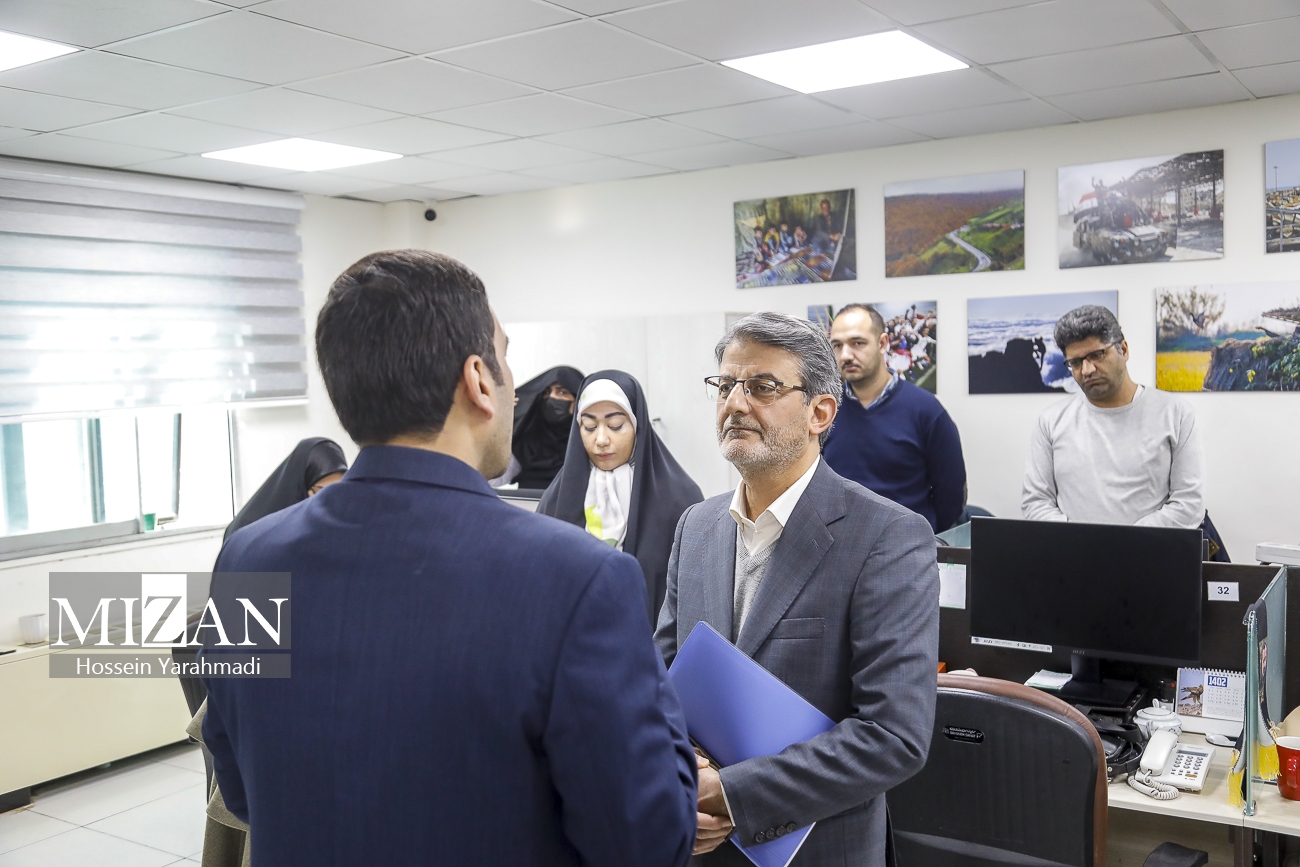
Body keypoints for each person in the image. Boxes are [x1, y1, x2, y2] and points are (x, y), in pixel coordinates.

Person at [201, 250, 697, 867]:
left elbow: (240, 788)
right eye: (506, 357)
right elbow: (647, 841)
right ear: (479, 381)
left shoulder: (246, 560)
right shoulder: (578, 579)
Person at [656, 312, 939, 866]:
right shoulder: (697, 526)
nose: (735, 404)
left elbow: (893, 736)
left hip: (818, 848)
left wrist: (731, 795)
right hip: (696, 840)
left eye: (762, 387)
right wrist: (681, 778)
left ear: (820, 412)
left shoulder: (888, 535)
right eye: (725, 385)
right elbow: (658, 686)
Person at [538, 371, 703, 624]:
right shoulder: (556, 500)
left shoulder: (680, 501)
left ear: (637, 425)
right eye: (589, 426)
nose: (601, 440)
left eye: (615, 425)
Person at [1023, 304, 1205, 529]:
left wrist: (1124, 543)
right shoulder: (1051, 421)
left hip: (1151, 550)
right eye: (1075, 362)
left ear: (1124, 350)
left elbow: (1189, 504)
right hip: (1074, 550)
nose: (1087, 370)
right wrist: (1075, 541)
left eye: (1097, 355)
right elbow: (1036, 502)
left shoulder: (1175, 413)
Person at [823, 305, 967, 533]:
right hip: (840, 547)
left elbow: (951, 494)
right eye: (837, 345)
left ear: (882, 343)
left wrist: (919, 537)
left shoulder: (926, 411)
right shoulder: (823, 412)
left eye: (857, 343)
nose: (846, 355)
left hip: (907, 547)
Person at [223, 437, 348, 542]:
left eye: (340, 489)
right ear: (302, 486)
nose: (334, 500)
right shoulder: (247, 531)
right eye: (324, 491)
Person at [497, 366, 583, 489]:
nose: (552, 397)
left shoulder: (586, 446)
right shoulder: (527, 443)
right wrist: (497, 420)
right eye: (547, 392)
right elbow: (490, 478)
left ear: (578, 400)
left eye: (562, 392)